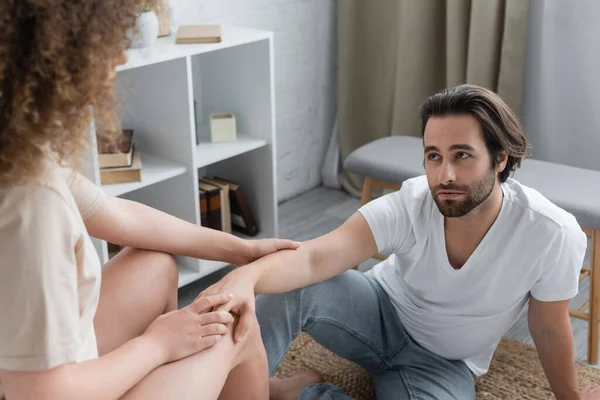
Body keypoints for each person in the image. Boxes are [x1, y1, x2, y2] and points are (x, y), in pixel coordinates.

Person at [199, 84, 600, 399]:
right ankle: (226, 392)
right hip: (374, 315)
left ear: (500, 159)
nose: (444, 175)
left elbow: (548, 326)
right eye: (433, 156)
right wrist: (245, 278)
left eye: (462, 155)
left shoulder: (551, 233)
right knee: (295, 287)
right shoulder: (411, 203)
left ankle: (302, 392)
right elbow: (313, 259)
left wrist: (569, 396)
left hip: (445, 363)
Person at [0, 1, 299, 399]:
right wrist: (156, 345)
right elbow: (42, 393)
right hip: (48, 389)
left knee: (154, 265)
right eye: (107, 40)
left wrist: (240, 249)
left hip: (32, 365)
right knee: (231, 330)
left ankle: (244, 379)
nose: (122, 55)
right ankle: (240, 372)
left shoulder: (18, 150)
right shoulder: (31, 200)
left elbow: (118, 215)